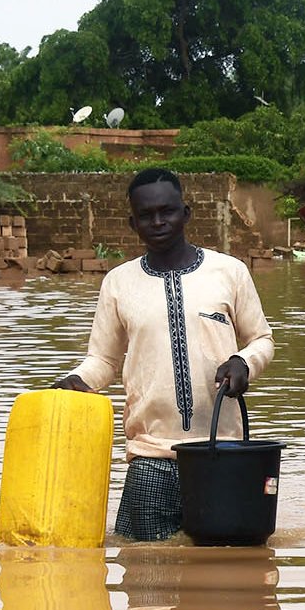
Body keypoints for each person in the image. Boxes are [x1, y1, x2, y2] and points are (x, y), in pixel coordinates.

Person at [54, 168, 275, 542]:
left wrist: (243, 362)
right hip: (150, 456)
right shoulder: (118, 283)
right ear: (133, 223)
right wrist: (76, 381)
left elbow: (262, 340)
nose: (158, 222)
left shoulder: (229, 272)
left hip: (222, 454)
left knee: (227, 567)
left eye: (167, 211)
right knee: (144, 566)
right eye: (146, 215)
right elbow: (104, 360)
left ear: (185, 213)